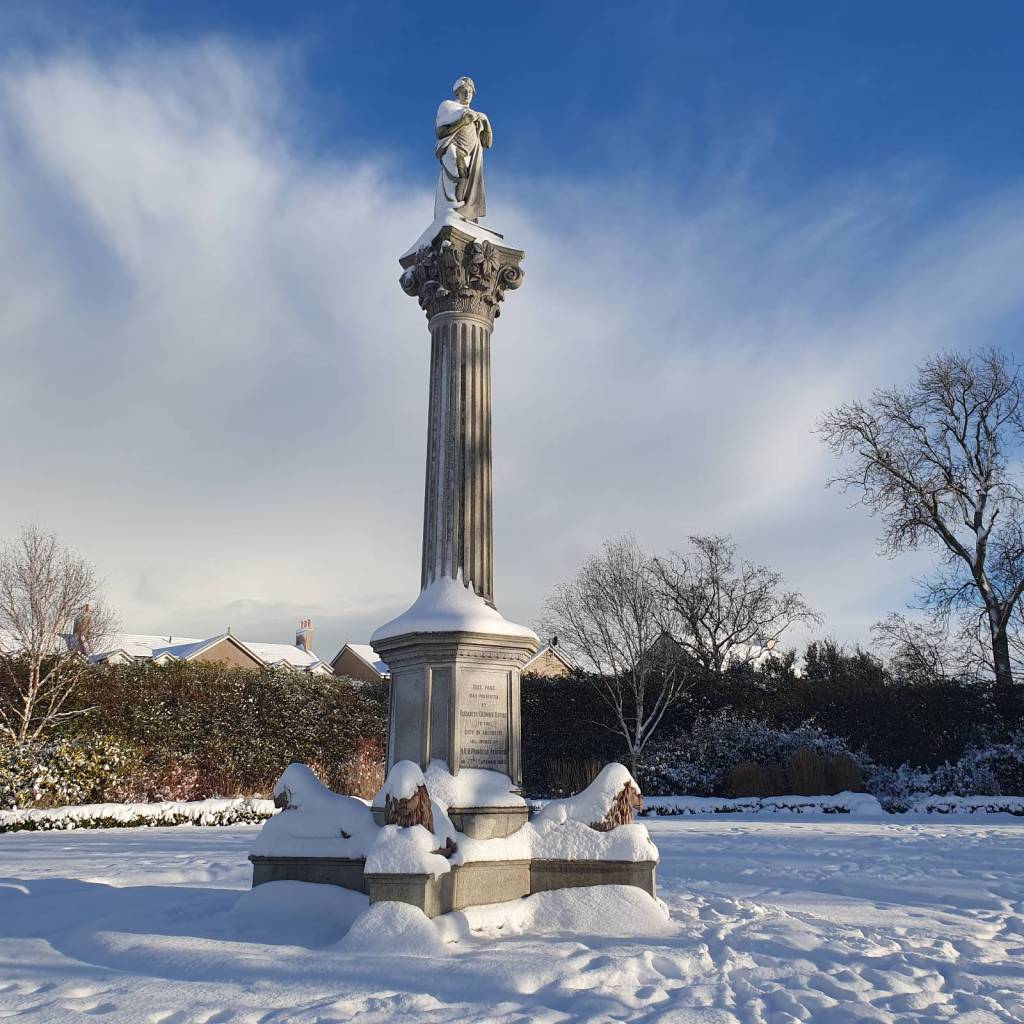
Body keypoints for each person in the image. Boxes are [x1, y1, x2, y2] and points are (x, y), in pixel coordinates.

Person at [434, 76, 492, 223]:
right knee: (460, 177)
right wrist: (462, 121)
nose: (467, 94)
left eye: (470, 92)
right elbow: (440, 133)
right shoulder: (448, 106)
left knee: (468, 184)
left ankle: (464, 214)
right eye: (464, 91)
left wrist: (485, 121)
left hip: (471, 157)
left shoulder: (476, 116)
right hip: (454, 149)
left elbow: (487, 143)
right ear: (457, 92)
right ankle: (455, 211)